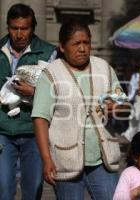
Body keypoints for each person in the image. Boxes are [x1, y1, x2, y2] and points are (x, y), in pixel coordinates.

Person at [32, 20, 123, 199]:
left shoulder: (104, 69)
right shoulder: (51, 75)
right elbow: (40, 119)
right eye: (76, 44)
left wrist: (118, 108)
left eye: (86, 42)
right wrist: (46, 159)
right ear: (63, 47)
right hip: (66, 160)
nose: (82, 48)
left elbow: (122, 103)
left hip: (102, 160)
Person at [0, 3, 56, 200]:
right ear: (8, 27)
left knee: (32, 190)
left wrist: (34, 92)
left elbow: (58, 92)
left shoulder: (49, 53)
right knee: (3, 189)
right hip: (3, 132)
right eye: (14, 28)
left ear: (33, 28)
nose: (19, 34)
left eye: (24, 28)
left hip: (34, 132)